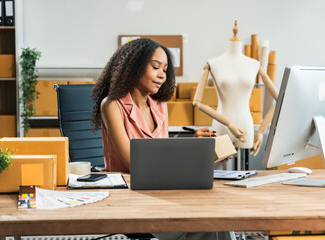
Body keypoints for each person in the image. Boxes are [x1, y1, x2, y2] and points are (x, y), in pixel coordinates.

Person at [91, 38, 234, 240]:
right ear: (134, 67)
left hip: (163, 192)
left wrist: (198, 150)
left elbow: (162, 155)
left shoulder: (159, 106)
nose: (162, 75)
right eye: (156, 67)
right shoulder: (112, 105)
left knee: (221, 216)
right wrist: (189, 157)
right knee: (205, 222)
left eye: (165, 70)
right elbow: (136, 165)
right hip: (130, 198)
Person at [193, 22, 278, 157]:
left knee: (244, 172)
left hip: (246, 126)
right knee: (220, 171)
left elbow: (280, 101)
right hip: (221, 126)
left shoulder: (254, 64)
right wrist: (229, 124)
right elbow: (196, 103)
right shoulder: (213, 63)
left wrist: (261, 131)